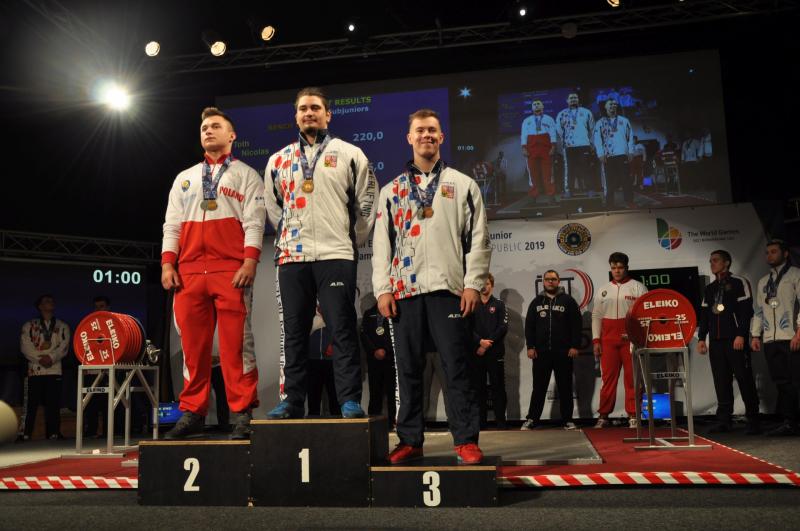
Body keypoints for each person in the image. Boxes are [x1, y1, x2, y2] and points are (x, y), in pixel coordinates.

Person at [372, 108, 491, 465]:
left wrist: (473, 284)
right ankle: (410, 440)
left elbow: (479, 239)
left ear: (442, 137)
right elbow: (381, 245)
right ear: (409, 138)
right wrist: (383, 289)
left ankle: (465, 440)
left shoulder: (463, 184)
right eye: (420, 130)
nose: (426, 135)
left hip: (448, 290)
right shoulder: (391, 190)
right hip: (405, 292)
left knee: (457, 367)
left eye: (432, 130)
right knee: (408, 370)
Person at [264, 87, 378, 420]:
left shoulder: (350, 154)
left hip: (336, 254)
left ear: (328, 114)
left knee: (342, 328)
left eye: (315, 108)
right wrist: (291, 237)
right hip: (292, 257)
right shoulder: (278, 160)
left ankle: (349, 400)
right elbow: (274, 208)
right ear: (296, 116)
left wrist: (348, 240)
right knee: (294, 332)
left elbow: (367, 202)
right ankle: (292, 400)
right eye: (303, 109)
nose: (309, 113)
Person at [161, 106, 266, 440]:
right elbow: (172, 225)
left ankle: (242, 413)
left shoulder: (247, 175)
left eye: (215, 126)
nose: (208, 130)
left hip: (230, 269)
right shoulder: (185, 178)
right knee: (193, 349)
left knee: (236, 346)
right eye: (204, 127)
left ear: (231, 135)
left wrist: (249, 261)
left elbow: (255, 222)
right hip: (189, 272)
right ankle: (193, 412)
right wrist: (167, 263)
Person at [697, 250, 760, 434]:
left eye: (716, 260)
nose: (712, 263)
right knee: (721, 381)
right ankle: (724, 420)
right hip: (716, 342)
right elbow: (705, 315)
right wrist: (701, 338)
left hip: (735, 339)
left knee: (744, 379)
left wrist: (741, 335)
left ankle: (753, 420)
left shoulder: (739, 282)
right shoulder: (710, 288)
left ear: (726, 263)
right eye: (710, 261)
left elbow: (746, 311)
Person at [591, 252, 647, 428]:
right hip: (608, 341)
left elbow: (645, 315)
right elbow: (596, 316)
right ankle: (603, 415)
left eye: (620, 267)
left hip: (630, 341)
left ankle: (633, 415)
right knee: (608, 379)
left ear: (626, 268)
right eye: (614, 267)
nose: (617, 271)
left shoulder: (638, 287)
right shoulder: (603, 289)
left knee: (633, 378)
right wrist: (596, 340)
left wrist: (638, 338)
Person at [751, 240, 800, 436]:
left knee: (795, 381)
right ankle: (789, 421)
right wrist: (755, 335)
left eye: (773, 252)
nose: (769, 255)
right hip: (770, 340)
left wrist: (799, 332)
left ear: (785, 253)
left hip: (791, 337)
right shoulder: (764, 281)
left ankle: (793, 421)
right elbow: (758, 311)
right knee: (781, 382)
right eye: (767, 252)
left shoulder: (795, 275)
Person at [522, 270, 582, 430]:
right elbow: (529, 326)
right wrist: (530, 346)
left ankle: (567, 420)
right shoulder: (536, 302)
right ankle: (532, 419)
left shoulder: (568, 301)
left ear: (558, 281)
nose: (550, 282)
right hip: (541, 353)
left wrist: (575, 345)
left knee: (565, 387)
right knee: (539, 388)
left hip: (563, 352)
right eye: (548, 279)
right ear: (543, 281)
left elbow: (576, 325)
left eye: (553, 279)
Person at [19, 295, 70, 440]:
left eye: (52, 301)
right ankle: (25, 434)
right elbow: (25, 346)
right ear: (40, 306)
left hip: (54, 369)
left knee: (53, 403)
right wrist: (40, 359)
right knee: (30, 404)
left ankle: (54, 433)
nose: (51, 303)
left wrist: (51, 358)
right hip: (35, 369)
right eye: (47, 301)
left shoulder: (62, 325)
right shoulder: (29, 325)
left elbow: (64, 346)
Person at [470, 273, 508, 430]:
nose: (484, 286)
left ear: (492, 285)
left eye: (487, 283)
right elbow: (467, 328)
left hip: (495, 352)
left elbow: (502, 327)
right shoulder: (472, 304)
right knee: (478, 388)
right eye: (481, 284)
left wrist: (486, 344)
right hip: (476, 353)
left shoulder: (499, 304)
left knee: (498, 387)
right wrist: (479, 342)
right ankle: (481, 423)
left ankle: (501, 422)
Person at [593, 99, 635, 209]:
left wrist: (631, 151)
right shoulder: (600, 122)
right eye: (610, 104)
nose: (613, 106)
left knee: (626, 179)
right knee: (609, 181)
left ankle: (629, 201)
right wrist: (600, 154)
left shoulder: (624, 121)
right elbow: (597, 139)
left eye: (615, 104)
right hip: (608, 155)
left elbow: (630, 137)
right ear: (605, 107)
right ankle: (610, 204)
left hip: (622, 154)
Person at [360, 302, 396, 425]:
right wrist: (374, 351)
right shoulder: (369, 313)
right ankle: (373, 424)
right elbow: (364, 335)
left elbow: (396, 334)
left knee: (393, 394)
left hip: (391, 359)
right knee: (375, 394)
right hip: (374, 361)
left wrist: (387, 350)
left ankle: (394, 423)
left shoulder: (393, 310)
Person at [556, 93, 595, 197]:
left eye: (575, 98)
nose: (573, 99)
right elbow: (559, 129)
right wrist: (565, 140)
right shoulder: (562, 114)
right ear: (567, 100)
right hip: (569, 146)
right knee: (569, 169)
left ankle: (590, 189)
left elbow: (592, 129)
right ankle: (569, 190)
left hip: (584, 145)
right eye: (571, 98)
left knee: (586, 168)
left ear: (578, 100)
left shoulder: (586, 112)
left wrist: (591, 142)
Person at [520, 100, 557, 201]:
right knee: (532, 173)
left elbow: (553, 133)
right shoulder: (526, 121)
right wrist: (524, 148)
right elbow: (523, 135)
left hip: (546, 149)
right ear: (532, 108)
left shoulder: (549, 119)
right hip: (531, 149)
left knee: (548, 173)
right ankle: (533, 195)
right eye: (534, 105)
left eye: (538, 104)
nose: (536, 106)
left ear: (542, 106)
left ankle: (551, 195)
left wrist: (553, 146)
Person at [307, 308, 340, 416]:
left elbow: (341, 331)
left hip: (332, 361)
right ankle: (313, 422)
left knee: (334, 398)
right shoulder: (308, 314)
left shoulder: (334, 313)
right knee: (313, 398)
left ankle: (338, 422)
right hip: (312, 360)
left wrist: (334, 344)